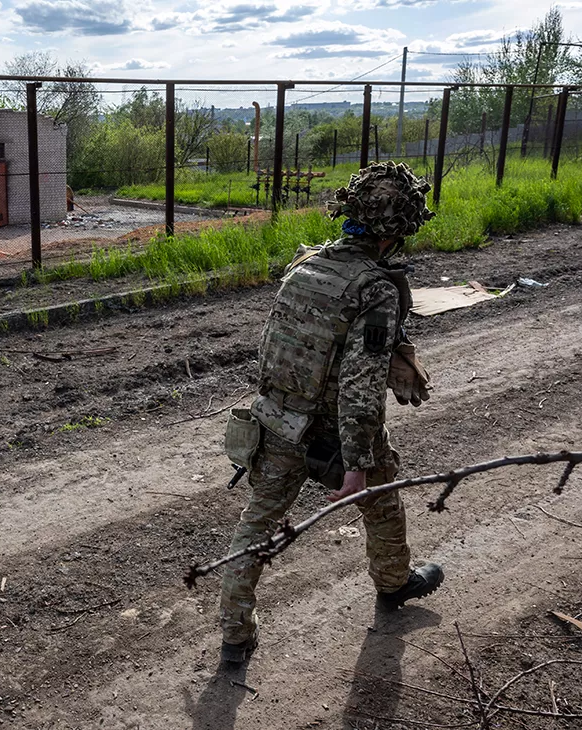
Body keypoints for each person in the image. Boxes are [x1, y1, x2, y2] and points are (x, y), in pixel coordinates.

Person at [219, 162, 444, 665]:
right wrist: (359, 460)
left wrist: (397, 345)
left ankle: (235, 635)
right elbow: (361, 387)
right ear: (399, 231)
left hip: (275, 420)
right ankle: (393, 584)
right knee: (382, 500)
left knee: (255, 527)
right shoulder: (377, 288)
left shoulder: (305, 265)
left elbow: (287, 346)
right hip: (331, 433)